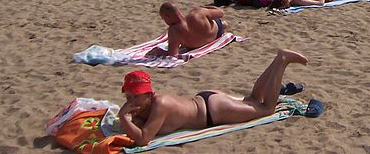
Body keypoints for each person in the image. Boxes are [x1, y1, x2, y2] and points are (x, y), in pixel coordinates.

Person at [119, 49, 308, 145]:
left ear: (149, 94)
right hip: (207, 100)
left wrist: (124, 118)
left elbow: (143, 139)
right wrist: (132, 117)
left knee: (267, 108)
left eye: (135, 96)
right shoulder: (146, 106)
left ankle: (282, 62)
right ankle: (277, 59)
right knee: (252, 99)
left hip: (213, 111)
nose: (130, 101)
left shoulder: (160, 103)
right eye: (128, 96)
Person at [147, 2, 228, 58]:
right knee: (222, 23)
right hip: (217, 33)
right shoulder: (196, 13)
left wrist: (160, 51)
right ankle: (222, 25)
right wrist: (204, 8)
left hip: (197, 44)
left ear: (167, 17)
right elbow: (221, 13)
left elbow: (173, 54)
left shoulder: (174, 30)